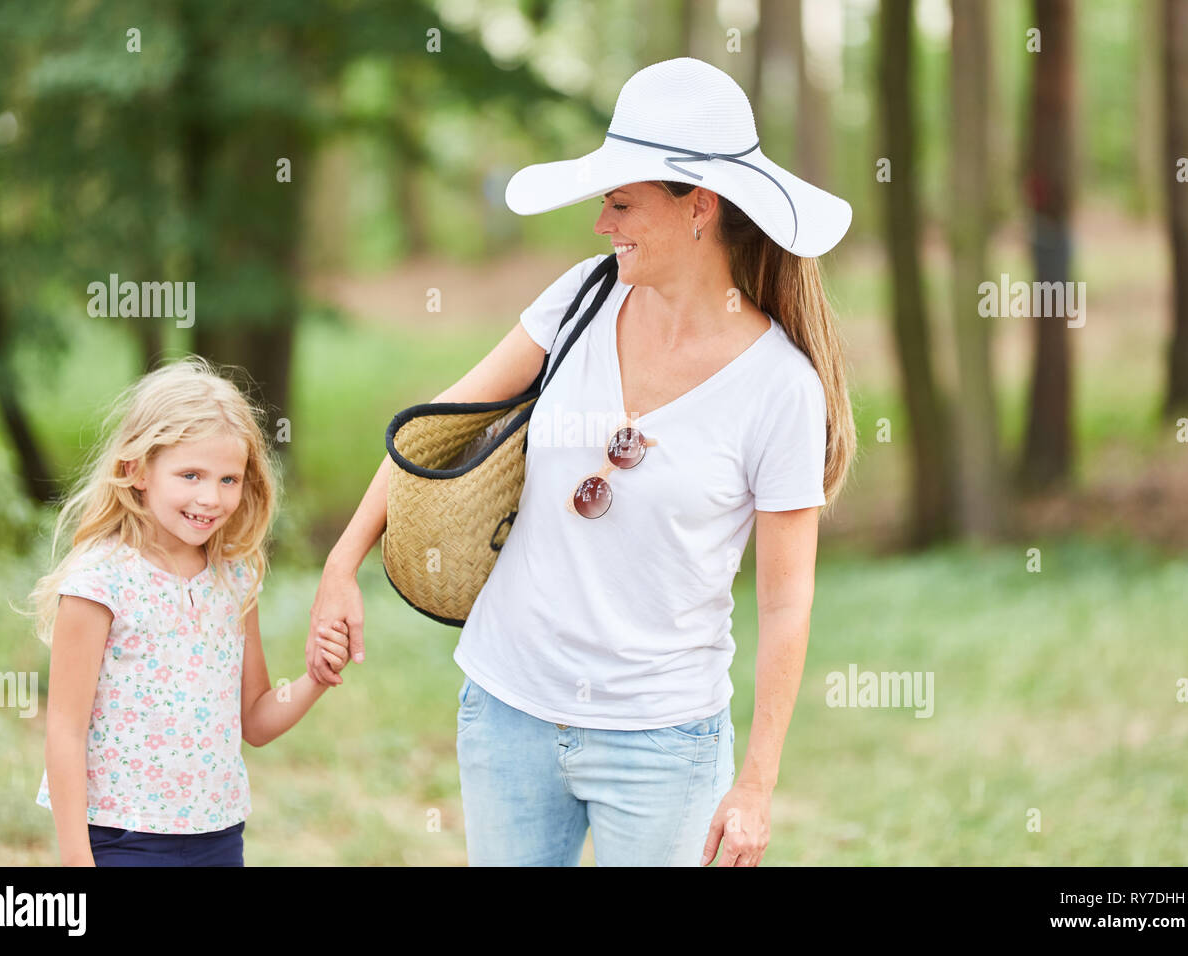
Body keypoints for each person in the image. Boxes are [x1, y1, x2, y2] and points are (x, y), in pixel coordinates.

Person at [307, 57, 856, 866]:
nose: (603, 225)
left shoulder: (781, 390)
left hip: (663, 743)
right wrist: (341, 560)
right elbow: (438, 428)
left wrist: (755, 786)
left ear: (699, 208)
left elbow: (786, 605)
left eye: (622, 203)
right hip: (507, 710)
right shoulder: (581, 298)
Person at [30, 356, 351, 866]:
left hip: (218, 838)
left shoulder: (235, 576)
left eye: (229, 479)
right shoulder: (100, 581)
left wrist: (314, 676)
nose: (211, 497)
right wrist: (76, 862)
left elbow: (255, 719)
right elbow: (64, 732)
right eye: (191, 474)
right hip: (119, 838)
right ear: (136, 469)